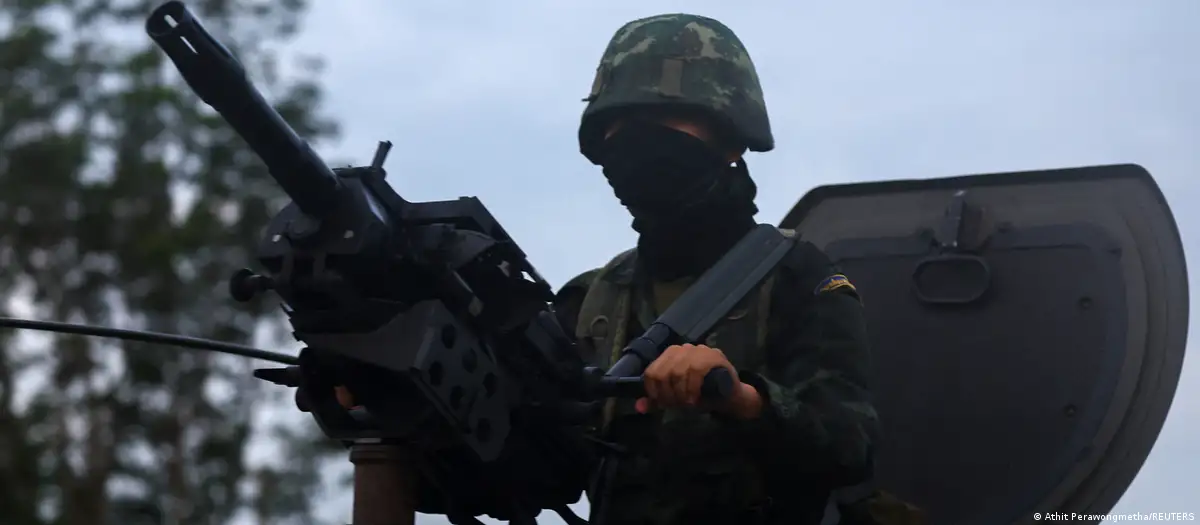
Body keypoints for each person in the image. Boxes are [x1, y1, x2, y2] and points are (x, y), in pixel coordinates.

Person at [549, 13, 882, 525]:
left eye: (661, 118)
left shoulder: (796, 278)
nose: (633, 143)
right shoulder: (590, 301)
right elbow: (538, 473)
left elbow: (848, 445)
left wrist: (742, 400)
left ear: (730, 137)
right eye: (616, 126)